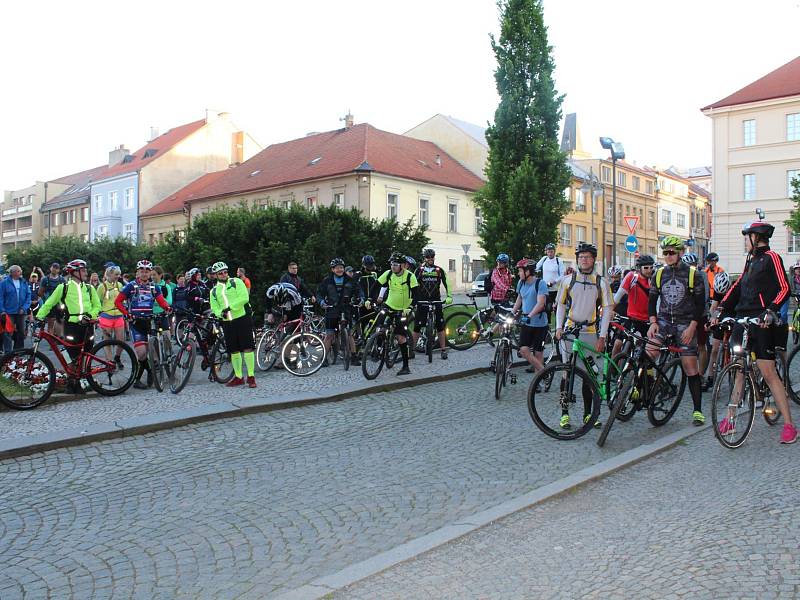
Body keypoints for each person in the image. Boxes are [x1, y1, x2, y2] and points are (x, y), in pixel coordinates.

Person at [714, 221, 796, 444]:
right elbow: (738, 285)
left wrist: (770, 311)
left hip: (762, 321)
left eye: (747, 236)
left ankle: (789, 425)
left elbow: (784, 288)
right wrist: (721, 308)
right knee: (740, 368)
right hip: (744, 318)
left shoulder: (772, 258)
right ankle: (730, 419)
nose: (745, 240)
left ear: (756, 237)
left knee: (768, 372)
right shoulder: (750, 260)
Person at [647, 236, 706, 426]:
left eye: (672, 252)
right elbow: (652, 299)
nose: (668, 256)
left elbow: (700, 305)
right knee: (648, 353)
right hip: (663, 321)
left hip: (685, 323)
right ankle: (648, 388)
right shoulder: (659, 273)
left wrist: (692, 327)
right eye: (665, 253)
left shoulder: (692, 274)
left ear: (680, 253)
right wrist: (652, 322)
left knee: (690, 366)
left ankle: (697, 411)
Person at [554, 243, 613, 430]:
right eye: (580, 257)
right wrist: (558, 327)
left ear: (593, 259)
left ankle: (589, 414)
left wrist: (602, 337)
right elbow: (561, 305)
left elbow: (608, 310)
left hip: (590, 332)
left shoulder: (601, 282)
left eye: (587, 257)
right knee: (567, 373)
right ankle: (564, 415)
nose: (583, 260)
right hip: (570, 331)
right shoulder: (568, 280)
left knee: (590, 376)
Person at [36, 259, 101, 392]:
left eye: (85, 270)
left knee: (86, 354)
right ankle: (71, 380)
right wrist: (39, 317)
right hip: (71, 325)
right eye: (83, 270)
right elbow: (49, 303)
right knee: (70, 354)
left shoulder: (89, 288)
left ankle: (81, 379)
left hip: (88, 326)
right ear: (74, 272)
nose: (86, 272)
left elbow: (97, 306)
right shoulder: (63, 287)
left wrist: (90, 315)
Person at [114, 260, 171, 389]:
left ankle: (138, 380)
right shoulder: (131, 286)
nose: (144, 274)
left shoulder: (154, 287)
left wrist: (167, 308)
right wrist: (126, 314)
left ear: (150, 272)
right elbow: (117, 302)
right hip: (136, 323)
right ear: (137, 273)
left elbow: (162, 302)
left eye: (147, 271)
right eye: (142, 271)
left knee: (148, 351)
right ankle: (150, 371)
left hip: (149, 322)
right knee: (141, 353)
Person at [209, 261, 257, 388]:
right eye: (220, 273)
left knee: (247, 347)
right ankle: (238, 377)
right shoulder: (214, 291)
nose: (224, 274)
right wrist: (220, 313)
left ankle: (251, 377)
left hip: (242, 318)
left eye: (225, 272)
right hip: (227, 322)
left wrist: (230, 308)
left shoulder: (236, 282)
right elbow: (214, 308)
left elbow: (244, 298)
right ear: (216, 275)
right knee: (233, 350)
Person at [377, 252, 419, 376]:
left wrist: (410, 307)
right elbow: (376, 286)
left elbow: (416, 294)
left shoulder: (410, 277)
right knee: (379, 324)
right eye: (391, 264)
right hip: (389, 304)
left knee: (401, 337)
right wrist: (369, 299)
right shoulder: (388, 274)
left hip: (403, 308)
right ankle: (380, 345)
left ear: (402, 265)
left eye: (395, 264)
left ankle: (405, 366)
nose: (393, 267)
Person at [317, 258, 361, 366]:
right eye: (337, 268)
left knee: (349, 334)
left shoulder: (350, 280)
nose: (339, 270)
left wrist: (361, 299)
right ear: (332, 269)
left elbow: (359, 291)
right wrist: (322, 301)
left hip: (346, 309)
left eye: (341, 267)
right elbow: (319, 293)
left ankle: (354, 357)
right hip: (332, 309)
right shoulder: (327, 281)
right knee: (329, 335)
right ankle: (324, 359)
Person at [412, 248, 453, 360]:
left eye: (432, 257)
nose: (430, 259)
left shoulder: (439, 270)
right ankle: (412, 350)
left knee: (440, 325)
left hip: (436, 300)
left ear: (434, 257)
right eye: (428, 257)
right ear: (425, 258)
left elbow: (447, 283)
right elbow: (413, 285)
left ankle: (443, 350)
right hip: (422, 300)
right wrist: (413, 299)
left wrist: (449, 296)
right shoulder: (419, 270)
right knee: (417, 326)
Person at [613, 254, 655, 355]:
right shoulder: (631, 277)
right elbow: (617, 297)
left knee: (642, 351)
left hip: (646, 321)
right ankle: (612, 369)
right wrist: (610, 311)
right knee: (617, 344)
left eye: (651, 267)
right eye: (646, 268)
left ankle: (640, 369)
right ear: (639, 268)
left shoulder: (654, 280)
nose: (649, 270)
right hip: (631, 319)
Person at [512, 259, 548, 374]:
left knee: (538, 353)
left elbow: (540, 303)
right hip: (526, 323)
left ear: (528, 271)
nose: (518, 273)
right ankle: (544, 372)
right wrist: (512, 312)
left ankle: (539, 380)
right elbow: (520, 298)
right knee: (523, 350)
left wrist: (530, 315)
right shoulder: (521, 283)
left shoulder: (540, 283)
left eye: (520, 271)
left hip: (540, 324)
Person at [702, 270, 732, 390]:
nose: (720, 294)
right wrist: (710, 319)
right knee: (714, 349)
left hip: (733, 315)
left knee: (736, 348)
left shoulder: (734, 289)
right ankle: (710, 377)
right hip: (722, 318)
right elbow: (714, 307)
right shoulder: (718, 290)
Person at [97, 265, 126, 368]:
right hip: (106, 317)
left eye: (119, 274)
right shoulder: (102, 286)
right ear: (109, 274)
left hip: (118, 316)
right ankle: (109, 362)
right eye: (116, 274)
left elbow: (123, 300)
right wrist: (98, 314)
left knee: (121, 341)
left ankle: (117, 357)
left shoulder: (120, 285)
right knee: (107, 342)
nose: (118, 276)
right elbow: (97, 301)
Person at [0, 265, 32, 352]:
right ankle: (8, 352)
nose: (20, 272)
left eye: (20, 271)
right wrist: (2, 310)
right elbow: (1, 297)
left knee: (21, 332)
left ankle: (19, 350)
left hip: (21, 311)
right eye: (19, 271)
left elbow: (28, 296)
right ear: (13, 272)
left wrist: (24, 307)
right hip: (8, 311)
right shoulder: (4, 283)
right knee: (8, 332)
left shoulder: (24, 282)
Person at [536, 243, 566, 324]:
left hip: (556, 289)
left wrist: (554, 281)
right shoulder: (544, 259)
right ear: (546, 252)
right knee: (547, 309)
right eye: (548, 251)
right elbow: (536, 267)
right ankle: (547, 327)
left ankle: (559, 327)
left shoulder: (558, 260)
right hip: (546, 289)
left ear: (554, 252)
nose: (550, 253)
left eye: (551, 251)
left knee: (557, 308)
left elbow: (563, 274)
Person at [38, 262, 65, 335]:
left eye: (56, 268)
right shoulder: (45, 279)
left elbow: (65, 292)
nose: (54, 269)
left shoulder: (62, 280)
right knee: (51, 322)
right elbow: (40, 292)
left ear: (59, 270)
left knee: (60, 321)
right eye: (53, 267)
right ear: (50, 268)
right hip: (49, 304)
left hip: (59, 304)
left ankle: (58, 338)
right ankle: (51, 341)